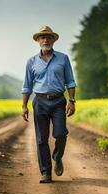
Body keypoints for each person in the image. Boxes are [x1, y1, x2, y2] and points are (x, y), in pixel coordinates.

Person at [21, 25, 77, 183]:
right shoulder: (31, 62)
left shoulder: (63, 58)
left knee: (60, 133)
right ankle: (46, 172)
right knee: (41, 139)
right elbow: (27, 86)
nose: (45, 39)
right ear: (38, 41)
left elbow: (70, 82)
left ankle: (57, 157)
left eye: (48, 37)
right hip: (39, 102)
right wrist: (24, 106)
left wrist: (72, 101)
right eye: (42, 37)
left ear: (53, 40)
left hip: (59, 101)